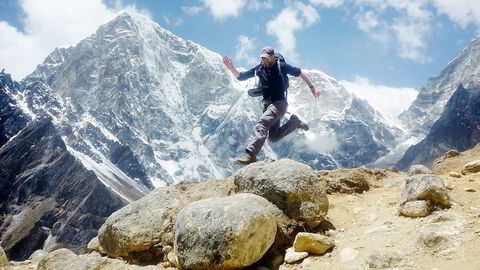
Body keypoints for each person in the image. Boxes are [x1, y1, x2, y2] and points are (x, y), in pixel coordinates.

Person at [223, 46, 321, 165]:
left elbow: (300, 73)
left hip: (279, 103)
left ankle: (251, 154)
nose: (265, 61)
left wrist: (312, 88)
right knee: (273, 137)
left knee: (261, 125)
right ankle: (294, 123)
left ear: (273, 57)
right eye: (263, 59)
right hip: (268, 105)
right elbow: (241, 76)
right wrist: (231, 68)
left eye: (267, 59)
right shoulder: (259, 68)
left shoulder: (282, 66)